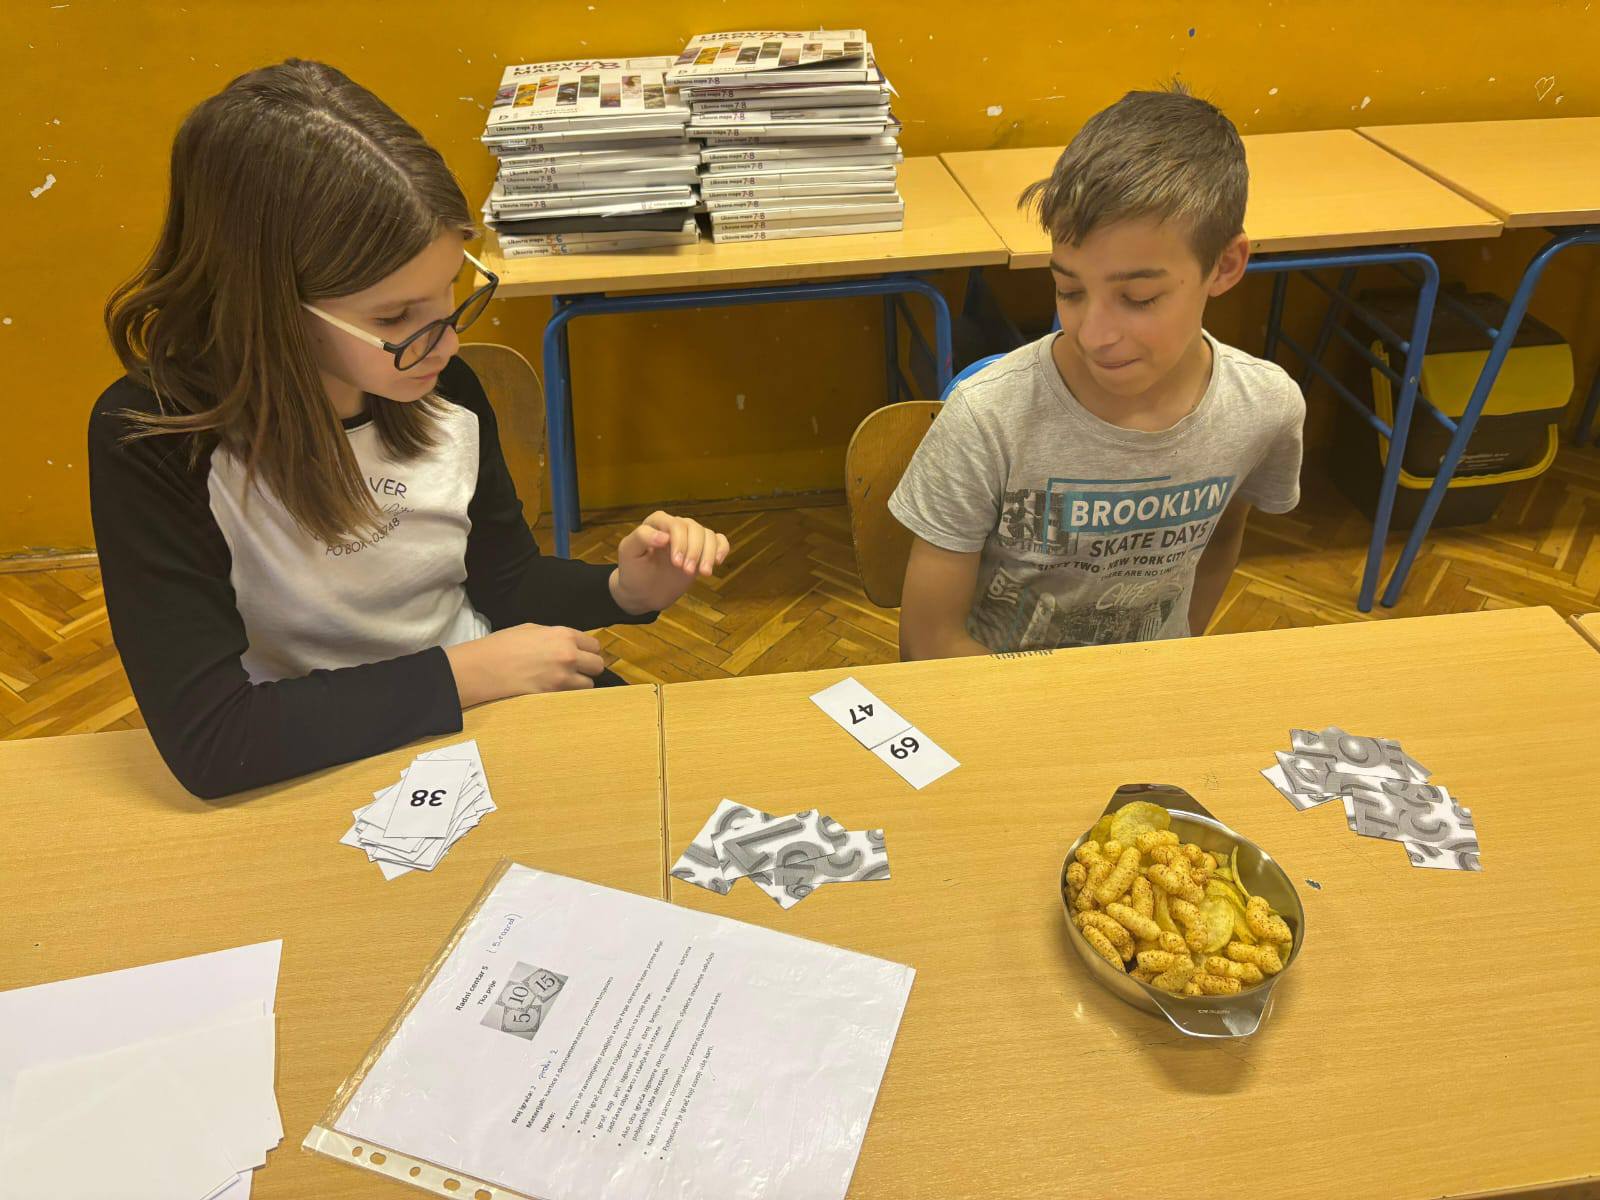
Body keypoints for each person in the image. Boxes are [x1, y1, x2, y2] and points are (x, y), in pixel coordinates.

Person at [89, 59, 729, 799]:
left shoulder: (439, 387)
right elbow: (215, 740)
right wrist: (469, 672)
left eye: (451, 292)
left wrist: (625, 590)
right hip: (309, 751)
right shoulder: (156, 438)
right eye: (395, 317)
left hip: (483, 704)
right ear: (265, 301)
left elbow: (504, 581)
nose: (447, 344)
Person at [890, 84, 1304, 658]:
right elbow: (929, 642)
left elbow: (1221, 541)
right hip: (997, 692)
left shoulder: (1264, 409)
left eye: (1138, 298)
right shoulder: (987, 418)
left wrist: (1170, 664)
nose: (1094, 334)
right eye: (1069, 290)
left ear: (1226, 265)